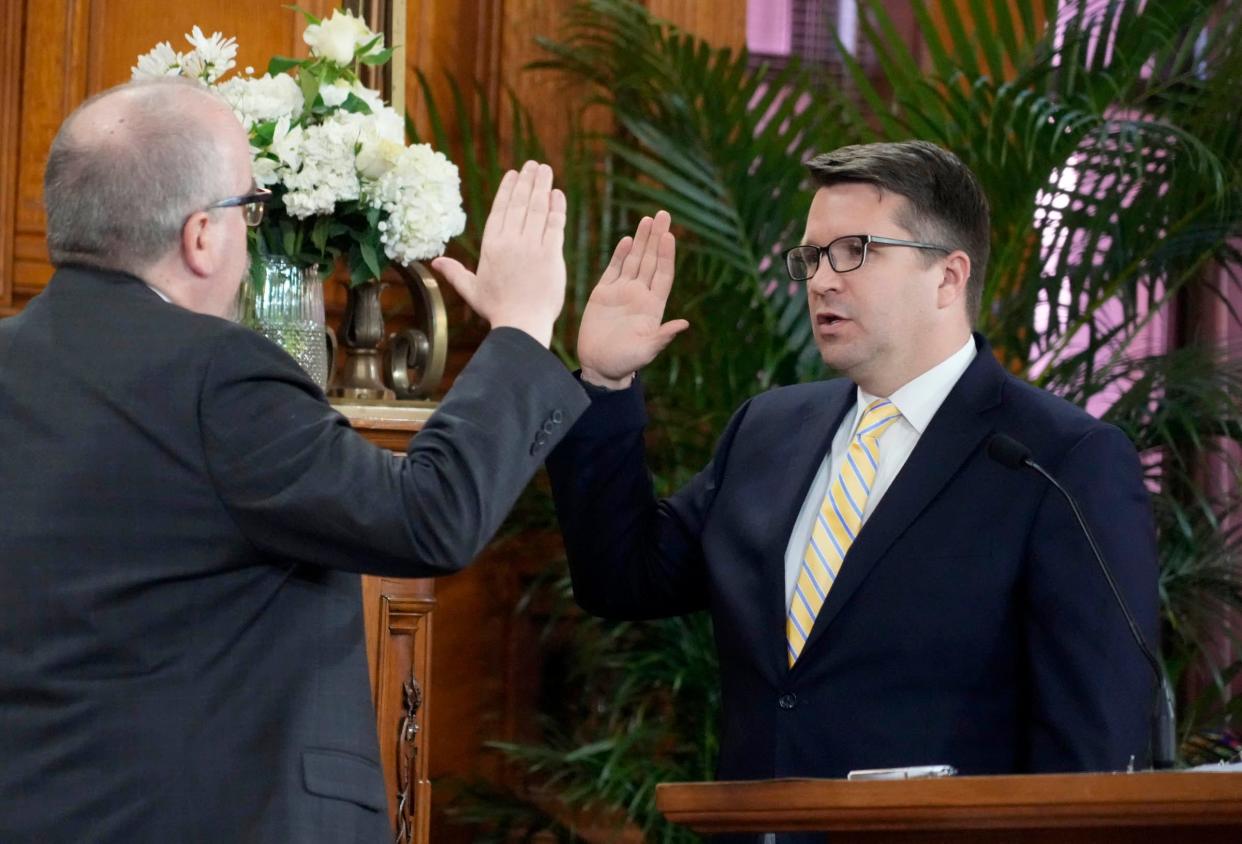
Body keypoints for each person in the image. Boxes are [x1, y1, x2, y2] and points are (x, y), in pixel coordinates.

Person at [0, 78, 587, 842]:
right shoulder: (217, 374)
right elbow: (428, 516)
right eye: (252, 208)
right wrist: (520, 328)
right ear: (202, 236)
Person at [547, 140, 1159, 839]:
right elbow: (623, 579)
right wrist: (604, 381)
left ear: (948, 277)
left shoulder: (1058, 459)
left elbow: (1093, 746)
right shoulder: (768, 429)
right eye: (811, 257)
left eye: (855, 251)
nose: (820, 280)